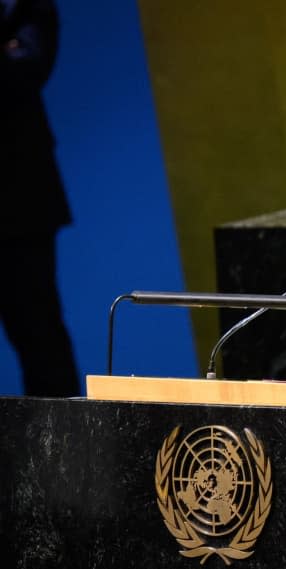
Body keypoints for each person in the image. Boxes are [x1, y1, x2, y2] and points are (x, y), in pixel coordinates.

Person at [1, 0, 79, 396]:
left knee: (39, 338)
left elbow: (26, 65)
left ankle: (62, 455)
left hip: (17, 206)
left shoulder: (26, 6)